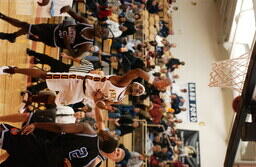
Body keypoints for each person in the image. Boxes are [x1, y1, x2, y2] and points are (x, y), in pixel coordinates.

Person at [0, 92, 125, 167]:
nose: (116, 152)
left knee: (8, 134)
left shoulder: (95, 157)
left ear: (113, 159)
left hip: (45, 148)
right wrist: (97, 101)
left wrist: (37, 125)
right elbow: (101, 121)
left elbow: (60, 128)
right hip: (45, 158)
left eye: (117, 154)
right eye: (118, 150)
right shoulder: (92, 162)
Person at [0, 67, 171, 110]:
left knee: (55, 102)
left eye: (140, 93)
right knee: (45, 76)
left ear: (136, 95)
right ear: (135, 84)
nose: (139, 90)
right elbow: (138, 71)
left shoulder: (119, 98)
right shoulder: (122, 81)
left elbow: (102, 106)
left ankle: (30, 98)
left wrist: (99, 101)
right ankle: (13, 70)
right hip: (78, 81)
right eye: (140, 87)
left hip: (81, 95)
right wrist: (154, 81)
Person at [0, 6, 109, 57]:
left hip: (53, 40)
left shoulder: (86, 45)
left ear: (98, 37)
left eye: (101, 33)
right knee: (29, 28)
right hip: (54, 28)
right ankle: (12, 36)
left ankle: (3, 18)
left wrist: (67, 44)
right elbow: (74, 14)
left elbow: (75, 55)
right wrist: (68, 9)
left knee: (27, 26)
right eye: (101, 29)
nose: (100, 30)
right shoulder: (86, 24)